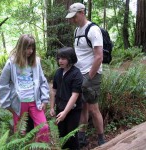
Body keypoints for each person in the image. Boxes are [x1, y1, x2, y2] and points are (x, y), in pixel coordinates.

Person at [65, 2, 105, 147]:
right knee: (82, 106)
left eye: (74, 17)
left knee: (94, 108)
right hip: (78, 74)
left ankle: (101, 138)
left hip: (91, 75)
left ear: (82, 13)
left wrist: (89, 77)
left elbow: (99, 57)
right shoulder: (77, 31)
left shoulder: (93, 30)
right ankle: (82, 137)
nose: (72, 20)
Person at [0, 34, 50, 142]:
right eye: (27, 48)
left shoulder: (36, 61)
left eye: (32, 48)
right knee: (20, 133)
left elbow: (42, 81)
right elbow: (2, 84)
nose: (30, 51)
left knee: (44, 128)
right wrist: (7, 104)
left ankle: (39, 148)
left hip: (35, 101)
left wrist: (44, 99)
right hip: (19, 102)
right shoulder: (11, 63)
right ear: (21, 47)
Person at [50, 47, 83, 150]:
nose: (60, 61)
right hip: (59, 108)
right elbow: (54, 90)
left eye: (63, 58)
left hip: (73, 110)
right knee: (62, 136)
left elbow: (75, 95)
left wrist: (65, 112)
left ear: (70, 59)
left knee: (72, 136)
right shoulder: (58, 73)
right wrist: (51, 107)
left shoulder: (76, 74)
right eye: (59, 58)